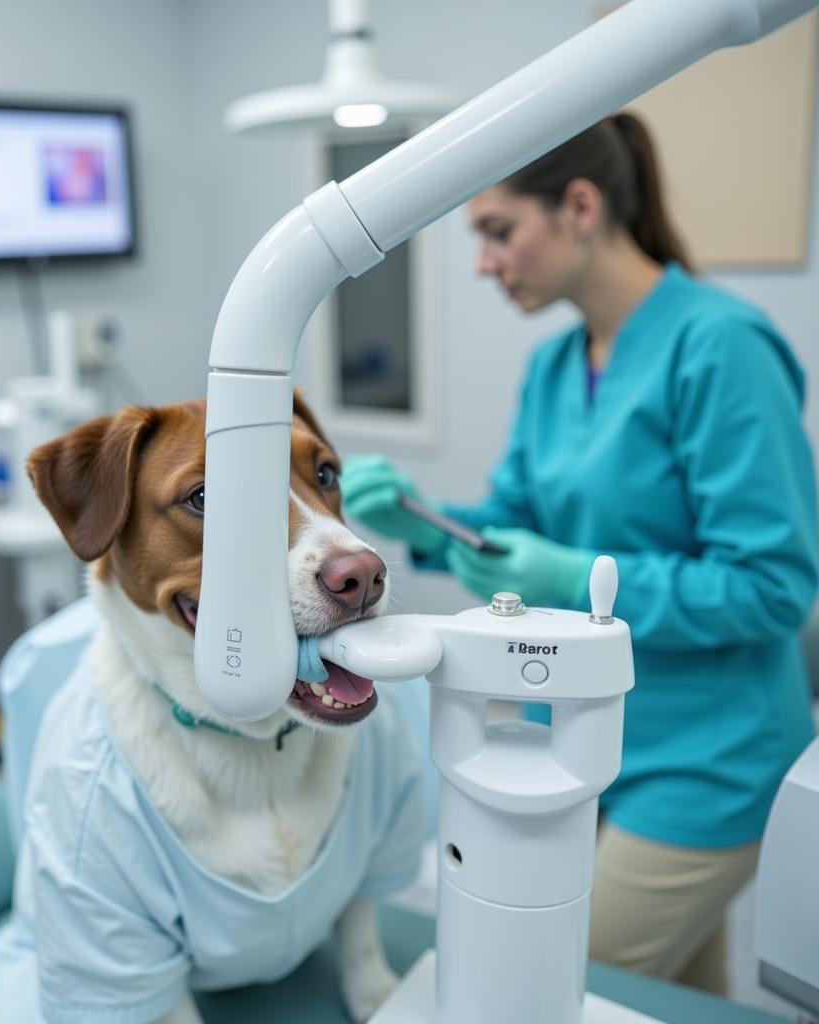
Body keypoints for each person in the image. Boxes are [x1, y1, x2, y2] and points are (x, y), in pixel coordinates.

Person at [340, 111, 818, 996]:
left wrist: (571, 577)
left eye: (496, 231)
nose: (482, 263)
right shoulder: (557, 365)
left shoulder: (722, 348)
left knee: (556, 979)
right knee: (678, 991)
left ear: (580, 207)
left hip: (710, 755)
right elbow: (511, 520)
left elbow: (772, 587)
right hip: (597, 733)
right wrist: (408, 516)